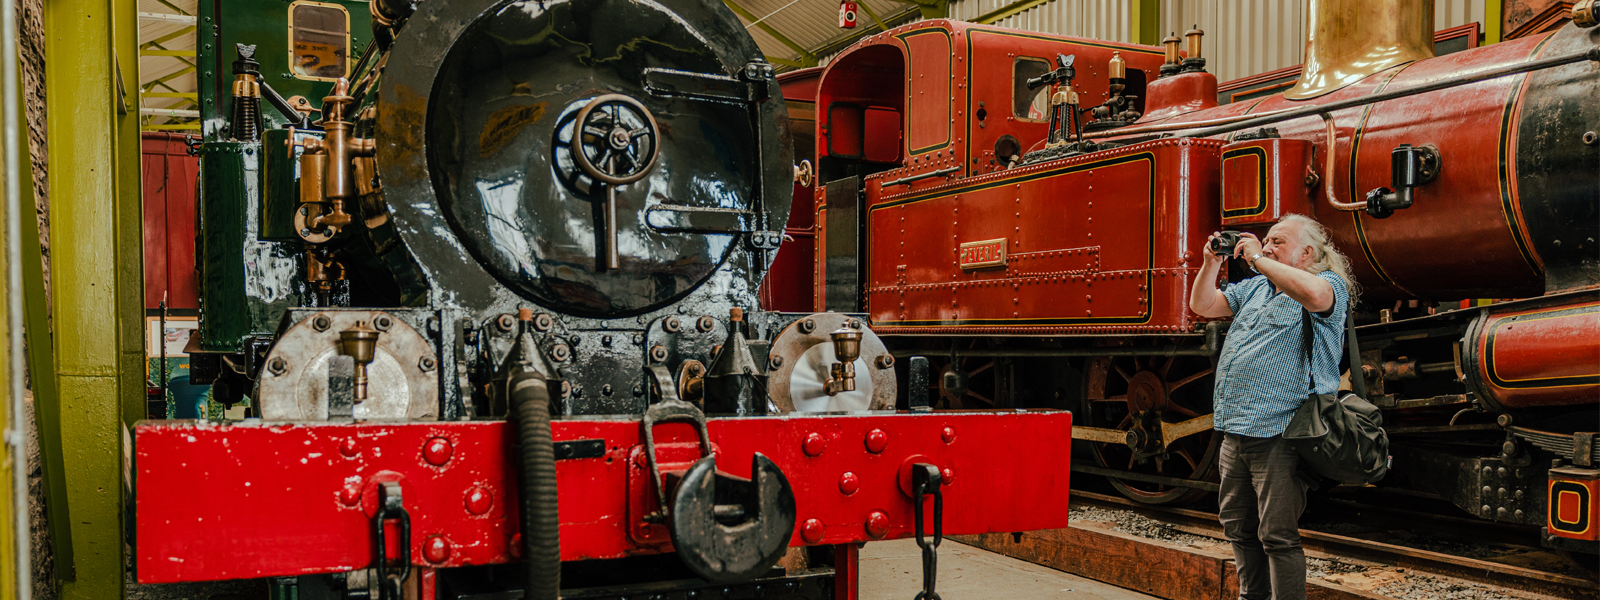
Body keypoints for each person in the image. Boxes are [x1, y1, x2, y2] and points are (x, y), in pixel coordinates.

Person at [1187, 214, 1356, 600]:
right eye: (1266, 241)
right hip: (1235, 429)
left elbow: (1315, 297)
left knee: (1277, 535)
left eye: (1278, 241)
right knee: (1238, 528)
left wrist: (1260, 259)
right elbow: (1204, 305)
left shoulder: (1328, 285)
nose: (1267, 246)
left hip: (1280, 431)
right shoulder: (1257, 288)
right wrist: (1210, 263)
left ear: (1307, 252)